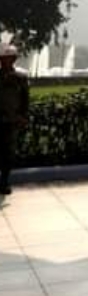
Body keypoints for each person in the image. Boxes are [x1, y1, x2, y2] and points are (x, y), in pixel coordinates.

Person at [0, 42, 29, 196]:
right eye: (4, 58)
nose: (6, 61)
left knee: (8, 154)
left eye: (10, 58)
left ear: (14, 59)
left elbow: (25, 100)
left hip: (11, 121)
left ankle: (4, 182)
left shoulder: (21, 78)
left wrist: (23, 117)